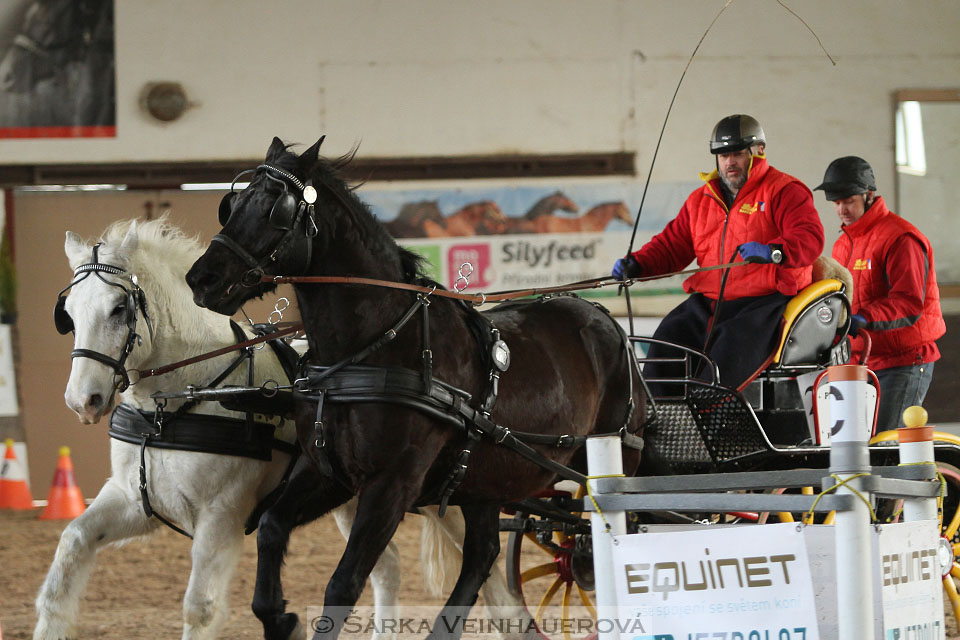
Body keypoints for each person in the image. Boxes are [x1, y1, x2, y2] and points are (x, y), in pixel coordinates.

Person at [612, 114, 824, 392]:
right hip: (711, 301)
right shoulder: (700, 200)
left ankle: (709, 417)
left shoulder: (785, 191)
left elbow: (809, 238)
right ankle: (661, 418)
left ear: (758, 151)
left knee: (726, 354)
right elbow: (671, 246)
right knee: (667, 338)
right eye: (722, 155)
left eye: (737, 153)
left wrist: (775, 252)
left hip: (765, 302)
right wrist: (638, 264)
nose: (729, 162)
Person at [816, 156, 945, 431]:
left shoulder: (900, 238)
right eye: (836, 203)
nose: (841, 210)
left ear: (868, 194)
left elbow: (909, 304)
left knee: (886, 447)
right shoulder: (843, 245)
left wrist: (863, 318)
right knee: (858, 449)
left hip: (903, 362)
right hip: (863, 361)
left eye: (848, 200)